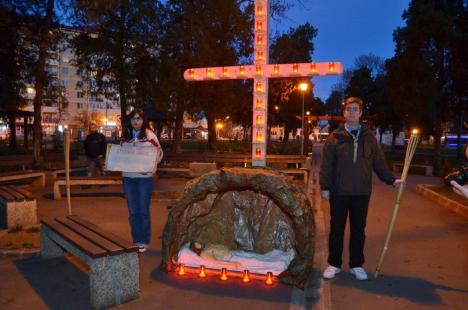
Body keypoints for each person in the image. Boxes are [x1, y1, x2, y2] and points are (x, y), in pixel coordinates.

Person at [319, 97, 402, 281]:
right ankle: (334, 264)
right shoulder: (335, 138)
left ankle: (357, 265)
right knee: (337, 229)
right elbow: (327, 165)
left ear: (361, 113)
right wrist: (324, 187)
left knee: (359, 230)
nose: (352, 112)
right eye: (349, 109)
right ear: (344, 113)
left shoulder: (369, 137)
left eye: (355, 109)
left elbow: (379, 162)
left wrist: (391, 180)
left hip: (362, 192)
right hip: (339, 191)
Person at [121, 109, 162, 253]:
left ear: (143, 120)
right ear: (130, 120)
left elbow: (159, 154)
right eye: (133, 119)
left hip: (144, 179)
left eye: (138, 118)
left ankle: (143, 241)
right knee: (133, 211)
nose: (136, 121)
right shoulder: (125, 136)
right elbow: (120, 155)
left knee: (143, 211)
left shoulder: (150, 136)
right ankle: (136, 240)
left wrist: (150, 164)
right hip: (128, 178)